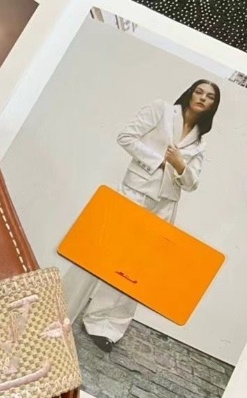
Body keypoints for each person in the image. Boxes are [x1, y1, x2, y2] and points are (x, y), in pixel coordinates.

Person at [80, 79, 220, 351]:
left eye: (210, 97)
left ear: (213, 106)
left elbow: (192, 183)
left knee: (136, 269)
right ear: (190, 93)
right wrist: (159, 161)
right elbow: (126, 137)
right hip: (135, 192)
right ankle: (70, 307)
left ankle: (108, 327)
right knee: (104, 254)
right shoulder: (162, 110)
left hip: (165, 205)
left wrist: (180, 165)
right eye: (199, 92)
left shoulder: (200, 143)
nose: (203, 98)